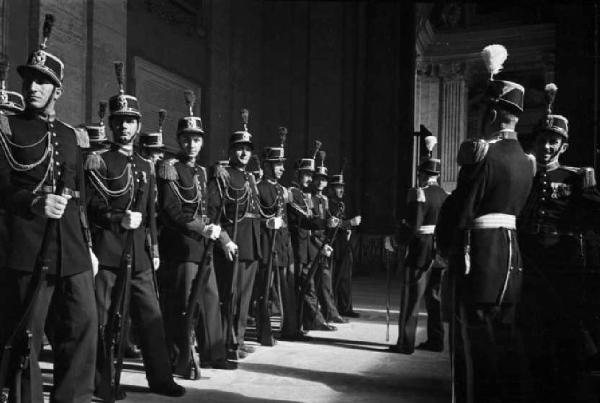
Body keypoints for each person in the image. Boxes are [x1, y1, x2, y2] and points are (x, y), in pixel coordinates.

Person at [0, 14, 98, 403]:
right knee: (28, 335)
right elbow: (3, 187)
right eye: (29, 78)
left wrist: (88, 246)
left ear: (58, 89)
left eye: (42, 81)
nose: (33, 86)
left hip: (71, 249)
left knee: (84, 324)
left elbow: (80, 196)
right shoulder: (7, 129)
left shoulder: (72, 136)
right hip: (27, 248)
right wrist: (34, 201)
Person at [436, 44, 533, 403]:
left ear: (492, 113)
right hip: (511, 263)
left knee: (472, 351)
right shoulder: (527, 161)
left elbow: (461, 210)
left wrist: (445, 249)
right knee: (503, 347)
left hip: (477, 262)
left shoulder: (483, 154)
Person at [86, 61, 184, 398]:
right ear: (111, 126)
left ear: (138, 125)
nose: (124, 127)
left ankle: (161, 378)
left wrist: (154, 248)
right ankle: (101, 380)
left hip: (140, 254)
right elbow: (93, 206)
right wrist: (118, 218)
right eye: (118, 122)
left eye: (129, 121)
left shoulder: (145, 165)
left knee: (151, 318)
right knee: (102, 320)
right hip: (109, 252)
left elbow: (152, 213)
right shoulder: (100, 160)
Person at [518, 83, 600, 401]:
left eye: (554, 142)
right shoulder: (525, 175)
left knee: (564, 333)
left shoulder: (576, 177)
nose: (548, 147)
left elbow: (593, 218)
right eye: (543, 141)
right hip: (528, 263)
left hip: (563, 268)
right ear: (535, 142)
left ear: (563, 147)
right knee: (531, 332)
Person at [157, 90, 236, 373]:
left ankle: (215, 353)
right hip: (182, 247)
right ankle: (182, 357)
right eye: (187, 139)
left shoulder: (203, 173)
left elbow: (210, 208)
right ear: (179, 140)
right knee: (184, 305)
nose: (192, 144)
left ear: (202, 142)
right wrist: (204, 229)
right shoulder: (169, 169)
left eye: (197, 139)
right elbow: (170, 211)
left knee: (210, 299)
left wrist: (218, 233)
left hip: (203, 247)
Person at [208, 108, 261, 360]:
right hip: (233, 241)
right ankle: (227, 341)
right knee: (230, 295)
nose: (243, 153)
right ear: (230, 151)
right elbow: (214, 212)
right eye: (239, 148)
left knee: (244, 297)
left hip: (251, 242)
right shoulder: (222, 174)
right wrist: (225, 239)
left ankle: (238, 340)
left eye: (248, 149)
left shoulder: (250, 177)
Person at [385, 157, 447, 354]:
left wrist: (396, 241)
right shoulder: (445, 195)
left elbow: (414, 225)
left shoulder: (420, 194)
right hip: (438, 253)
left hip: (421, 250)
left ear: (422, 175)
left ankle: (405, 343)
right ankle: (436, 340)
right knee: (434, 299)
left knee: (412, 298)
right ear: (436, 176)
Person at [287, 141, 339, 331]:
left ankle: (308, 321)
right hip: (296, 247)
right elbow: (303, 220)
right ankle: (309, 321)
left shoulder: (304, 195)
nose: (310, 179)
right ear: (298, 175)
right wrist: (325, 222)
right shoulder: (292, 193)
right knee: (304, 285)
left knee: (307, 284)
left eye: (311, 175)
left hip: (306, 248)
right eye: (306, 175)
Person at [254, 128, 298, 344]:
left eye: (282, 164)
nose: (282, 168)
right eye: (278, 164)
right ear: (267, 165)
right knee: (264, 291)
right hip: (266, 246)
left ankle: (290, 330)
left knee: (287, 289)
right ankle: (264, 333)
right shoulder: (258, 188)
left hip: (282, 245)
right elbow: (252, 218)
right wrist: (267, 223)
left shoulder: (282, 190)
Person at [311, 152, 348, 324]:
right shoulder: (308, 198)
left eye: (324, 180)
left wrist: (332, 223)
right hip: (312, 244)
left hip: (324, 244)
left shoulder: (324, 199)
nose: (320, 182)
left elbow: (326, 223)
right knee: (313, 282)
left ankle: (330, 313)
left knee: (326, 279)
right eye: (317, 179)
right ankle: (319, 316)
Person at [328, 170, 361, 318]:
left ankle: (346, 307)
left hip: (345, 244)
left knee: (346, 277)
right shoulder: (328, 202)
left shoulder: (342, 203)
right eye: (338, 187)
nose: (341, 189)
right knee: (335, 276)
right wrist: (350, 223)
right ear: (332, 188)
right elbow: (332, 222)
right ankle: (333, 308)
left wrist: (350, 227)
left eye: (342, 186)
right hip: (333, 244)